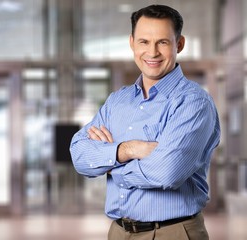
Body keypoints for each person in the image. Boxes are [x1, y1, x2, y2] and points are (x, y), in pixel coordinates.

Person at [70, 4, 220, 240]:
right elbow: (79, 154)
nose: (152, 52)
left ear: (179, 44)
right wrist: (128, 149)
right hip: (119, 231)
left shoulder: (193, 103)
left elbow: (168, 172)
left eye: (163, 42)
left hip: (172, 232)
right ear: (132, 43)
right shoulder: (117, 101)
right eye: (143, 42)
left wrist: (110, 165)